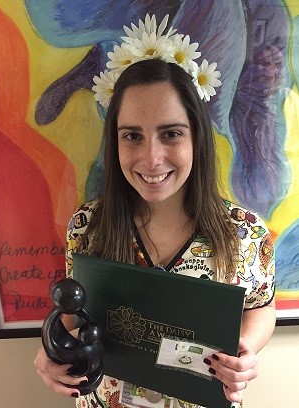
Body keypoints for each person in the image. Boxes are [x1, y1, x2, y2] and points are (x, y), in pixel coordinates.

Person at [34, 14, 276, 408]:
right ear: (114, 142)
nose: (151, 158)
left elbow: (262, 307)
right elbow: (73, 315)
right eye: (133, 136)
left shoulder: (245, 234)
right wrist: (51, 349)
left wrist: (246, 348)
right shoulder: (87, 227)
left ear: (197, 137)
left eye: (171, 133)